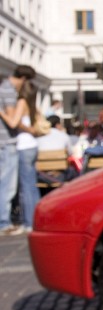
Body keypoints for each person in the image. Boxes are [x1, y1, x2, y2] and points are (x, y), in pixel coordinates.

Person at [0, 65, 36, 236]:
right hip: (8, 143)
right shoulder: (9, 91)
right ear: (23, 79)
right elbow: (13, 122)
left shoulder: (6, 89)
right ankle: (4, 222)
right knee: (8, 186)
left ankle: (6, 221)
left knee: (11, 185)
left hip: (9, 143)